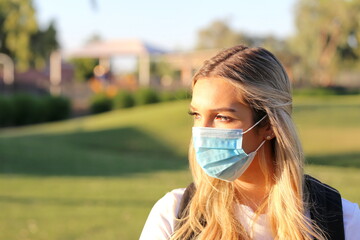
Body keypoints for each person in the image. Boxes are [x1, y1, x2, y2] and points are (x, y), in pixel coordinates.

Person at [139, 45, 360, 240]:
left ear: (269, 126)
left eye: (222, 117)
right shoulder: (174, 215)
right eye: (196, 115)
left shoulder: (342, 220)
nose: (202, 132)